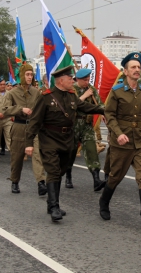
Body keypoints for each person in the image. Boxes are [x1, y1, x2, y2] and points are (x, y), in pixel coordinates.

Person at [25, 65, 104, 222]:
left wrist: (104, 110)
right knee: (53, 171)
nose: (72, 81)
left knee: (60, 171)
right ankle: (54, 207)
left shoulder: (71, 95)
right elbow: (34, 121)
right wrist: (29, 143)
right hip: (49, 139)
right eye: (70, 78)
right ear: (61, 80)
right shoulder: (46, 97)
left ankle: (51, 203)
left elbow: (84, 107)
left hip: (66, 139)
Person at [98, 53, 141, 231]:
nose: (136, 70)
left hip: (140, 142)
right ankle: (104, 201)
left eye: (138, 67)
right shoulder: (117, 92)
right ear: (125, 71)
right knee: (116, 176)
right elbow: (109, 115)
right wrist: (117, 133)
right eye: (133, 67)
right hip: (122, 143)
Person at [3, 64, 47, 195]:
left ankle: (41, 182)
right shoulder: (12, 93)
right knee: (17, 157)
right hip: (19, 127)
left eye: (31, 74)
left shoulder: (36, 92)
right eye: (27, 74)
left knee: (38, 155)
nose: (30, 77)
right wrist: (20, 109)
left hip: (34, 128)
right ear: (22, 76)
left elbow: (41, 109)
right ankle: (15, 181)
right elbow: (5, 109)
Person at [67, 68, 106, 191]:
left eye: (88, 79)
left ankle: (96, 179)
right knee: (71, 152)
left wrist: (104, 112)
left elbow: (99, 103)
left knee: (91, 150)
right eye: (84, 80)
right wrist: (84, 95)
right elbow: (72, 104)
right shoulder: (71, 89)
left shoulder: (91, 89)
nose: (87, 82)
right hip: (73, 124)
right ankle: (68, 176)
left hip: (87, 125)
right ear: (77, 79)